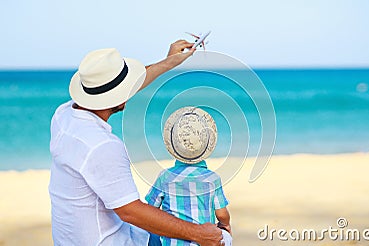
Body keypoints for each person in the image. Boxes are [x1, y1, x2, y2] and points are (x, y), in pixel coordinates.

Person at [48, 41, 224, 245]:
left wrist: (169, 62)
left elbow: (122, 88)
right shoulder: (102, 145)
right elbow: (131, 212)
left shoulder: (63, 115)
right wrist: (198, 233)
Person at [145, 107, 232, 246]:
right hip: (204, 241)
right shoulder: (212, 179)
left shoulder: (166, 177)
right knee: (226, 238)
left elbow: (150, 209)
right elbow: (222, 214)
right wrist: (225, 225)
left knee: (149, 230)